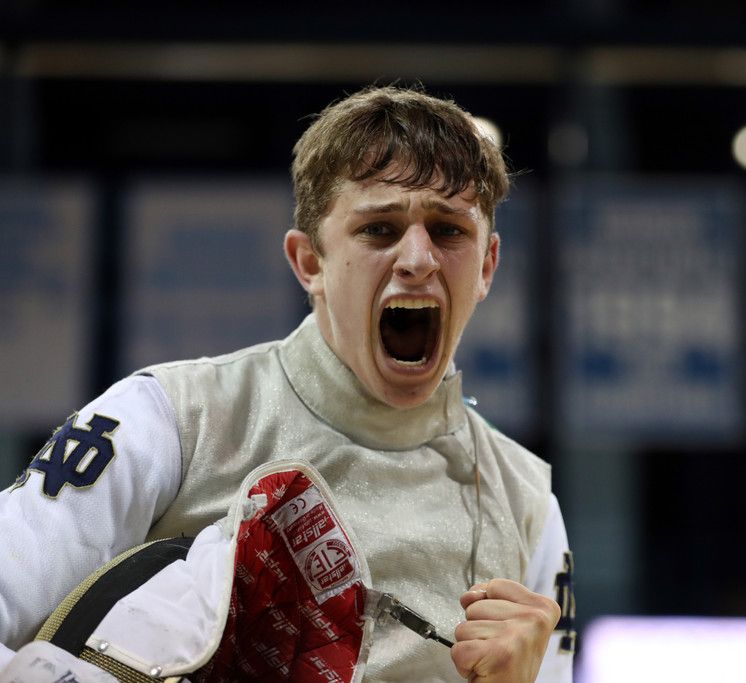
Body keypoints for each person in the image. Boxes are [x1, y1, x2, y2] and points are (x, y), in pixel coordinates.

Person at [0, 85, 575, 682]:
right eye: (379, 228)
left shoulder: (527, 501)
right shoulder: (169, 420)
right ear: (310, 263)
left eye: (449, 230)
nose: (418, 259)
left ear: (486, 266)